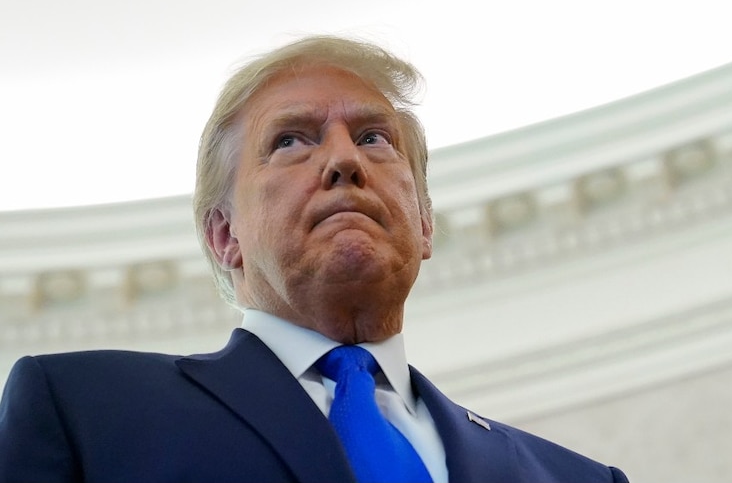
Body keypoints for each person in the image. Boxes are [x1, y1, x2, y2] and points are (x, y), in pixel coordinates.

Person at [0, 36, 628, 482]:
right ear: (225, 236)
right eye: (291, 139)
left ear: (426, 221)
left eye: (373, 138)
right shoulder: (87, 410)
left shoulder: (572, 477)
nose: (344, 161)